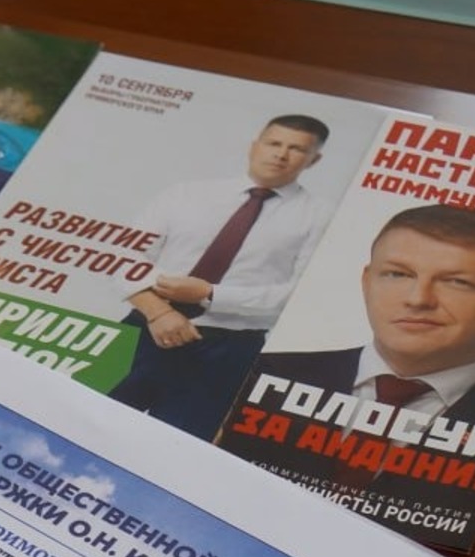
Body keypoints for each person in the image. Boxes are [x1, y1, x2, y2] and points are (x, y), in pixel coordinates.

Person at [220, 204, 475, 509]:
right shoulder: (261, 372)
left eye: (458, 282)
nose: (418, 299)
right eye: (397, 274)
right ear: (366, 281)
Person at [107, 114, 332, 440]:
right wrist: (159, 312)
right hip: (145, 327)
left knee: (172, 446)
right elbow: (124, 254)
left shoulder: (320, 217)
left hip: (227, 351)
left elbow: (300, 294)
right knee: (79, 414)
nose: (281, 154)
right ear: (254, 146)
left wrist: (210, 293)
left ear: (315, 159)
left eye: (296, 148)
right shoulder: (186, 193)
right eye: (274, 143)